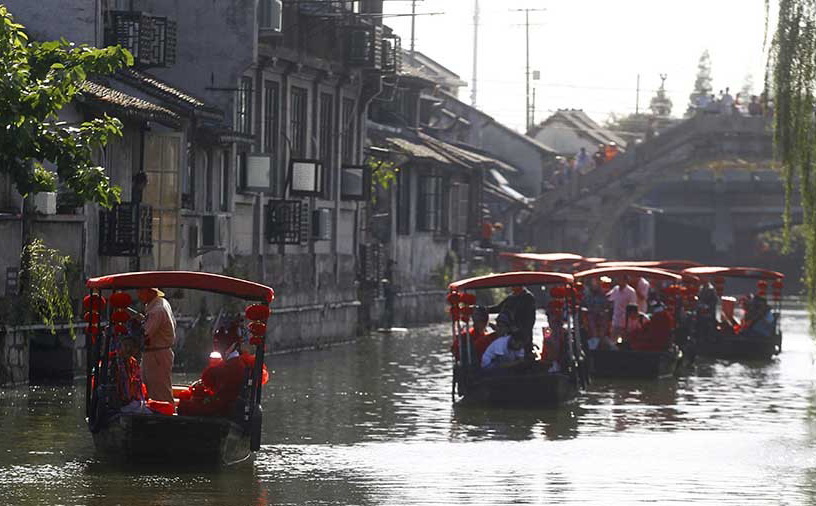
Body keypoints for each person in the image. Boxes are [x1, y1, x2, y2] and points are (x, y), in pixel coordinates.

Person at [178, 318, 269, 417]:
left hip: (223, 409)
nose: (220, 349)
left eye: (223, 345)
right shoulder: (241, 362)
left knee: (184, 404)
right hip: (229, 405)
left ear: (233, 345)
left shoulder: (230, 367)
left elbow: (215, 390)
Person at [135, 287, 176, 403]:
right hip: (154, 353)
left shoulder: (157, 310)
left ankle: (166, 417)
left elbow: (144, 334)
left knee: (160, 393)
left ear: (150, 292)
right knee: (146, 386)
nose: (138, 294)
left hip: (157, 355)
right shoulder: (159, 303)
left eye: (140, 291)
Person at [488, 285, 536, 354]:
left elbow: (530, 322)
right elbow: (498, 308)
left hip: (522, 336)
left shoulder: (528, 297)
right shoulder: (511, 297)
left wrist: (519, 332)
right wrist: (485, 309)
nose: (511, 286)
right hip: (509, 333)